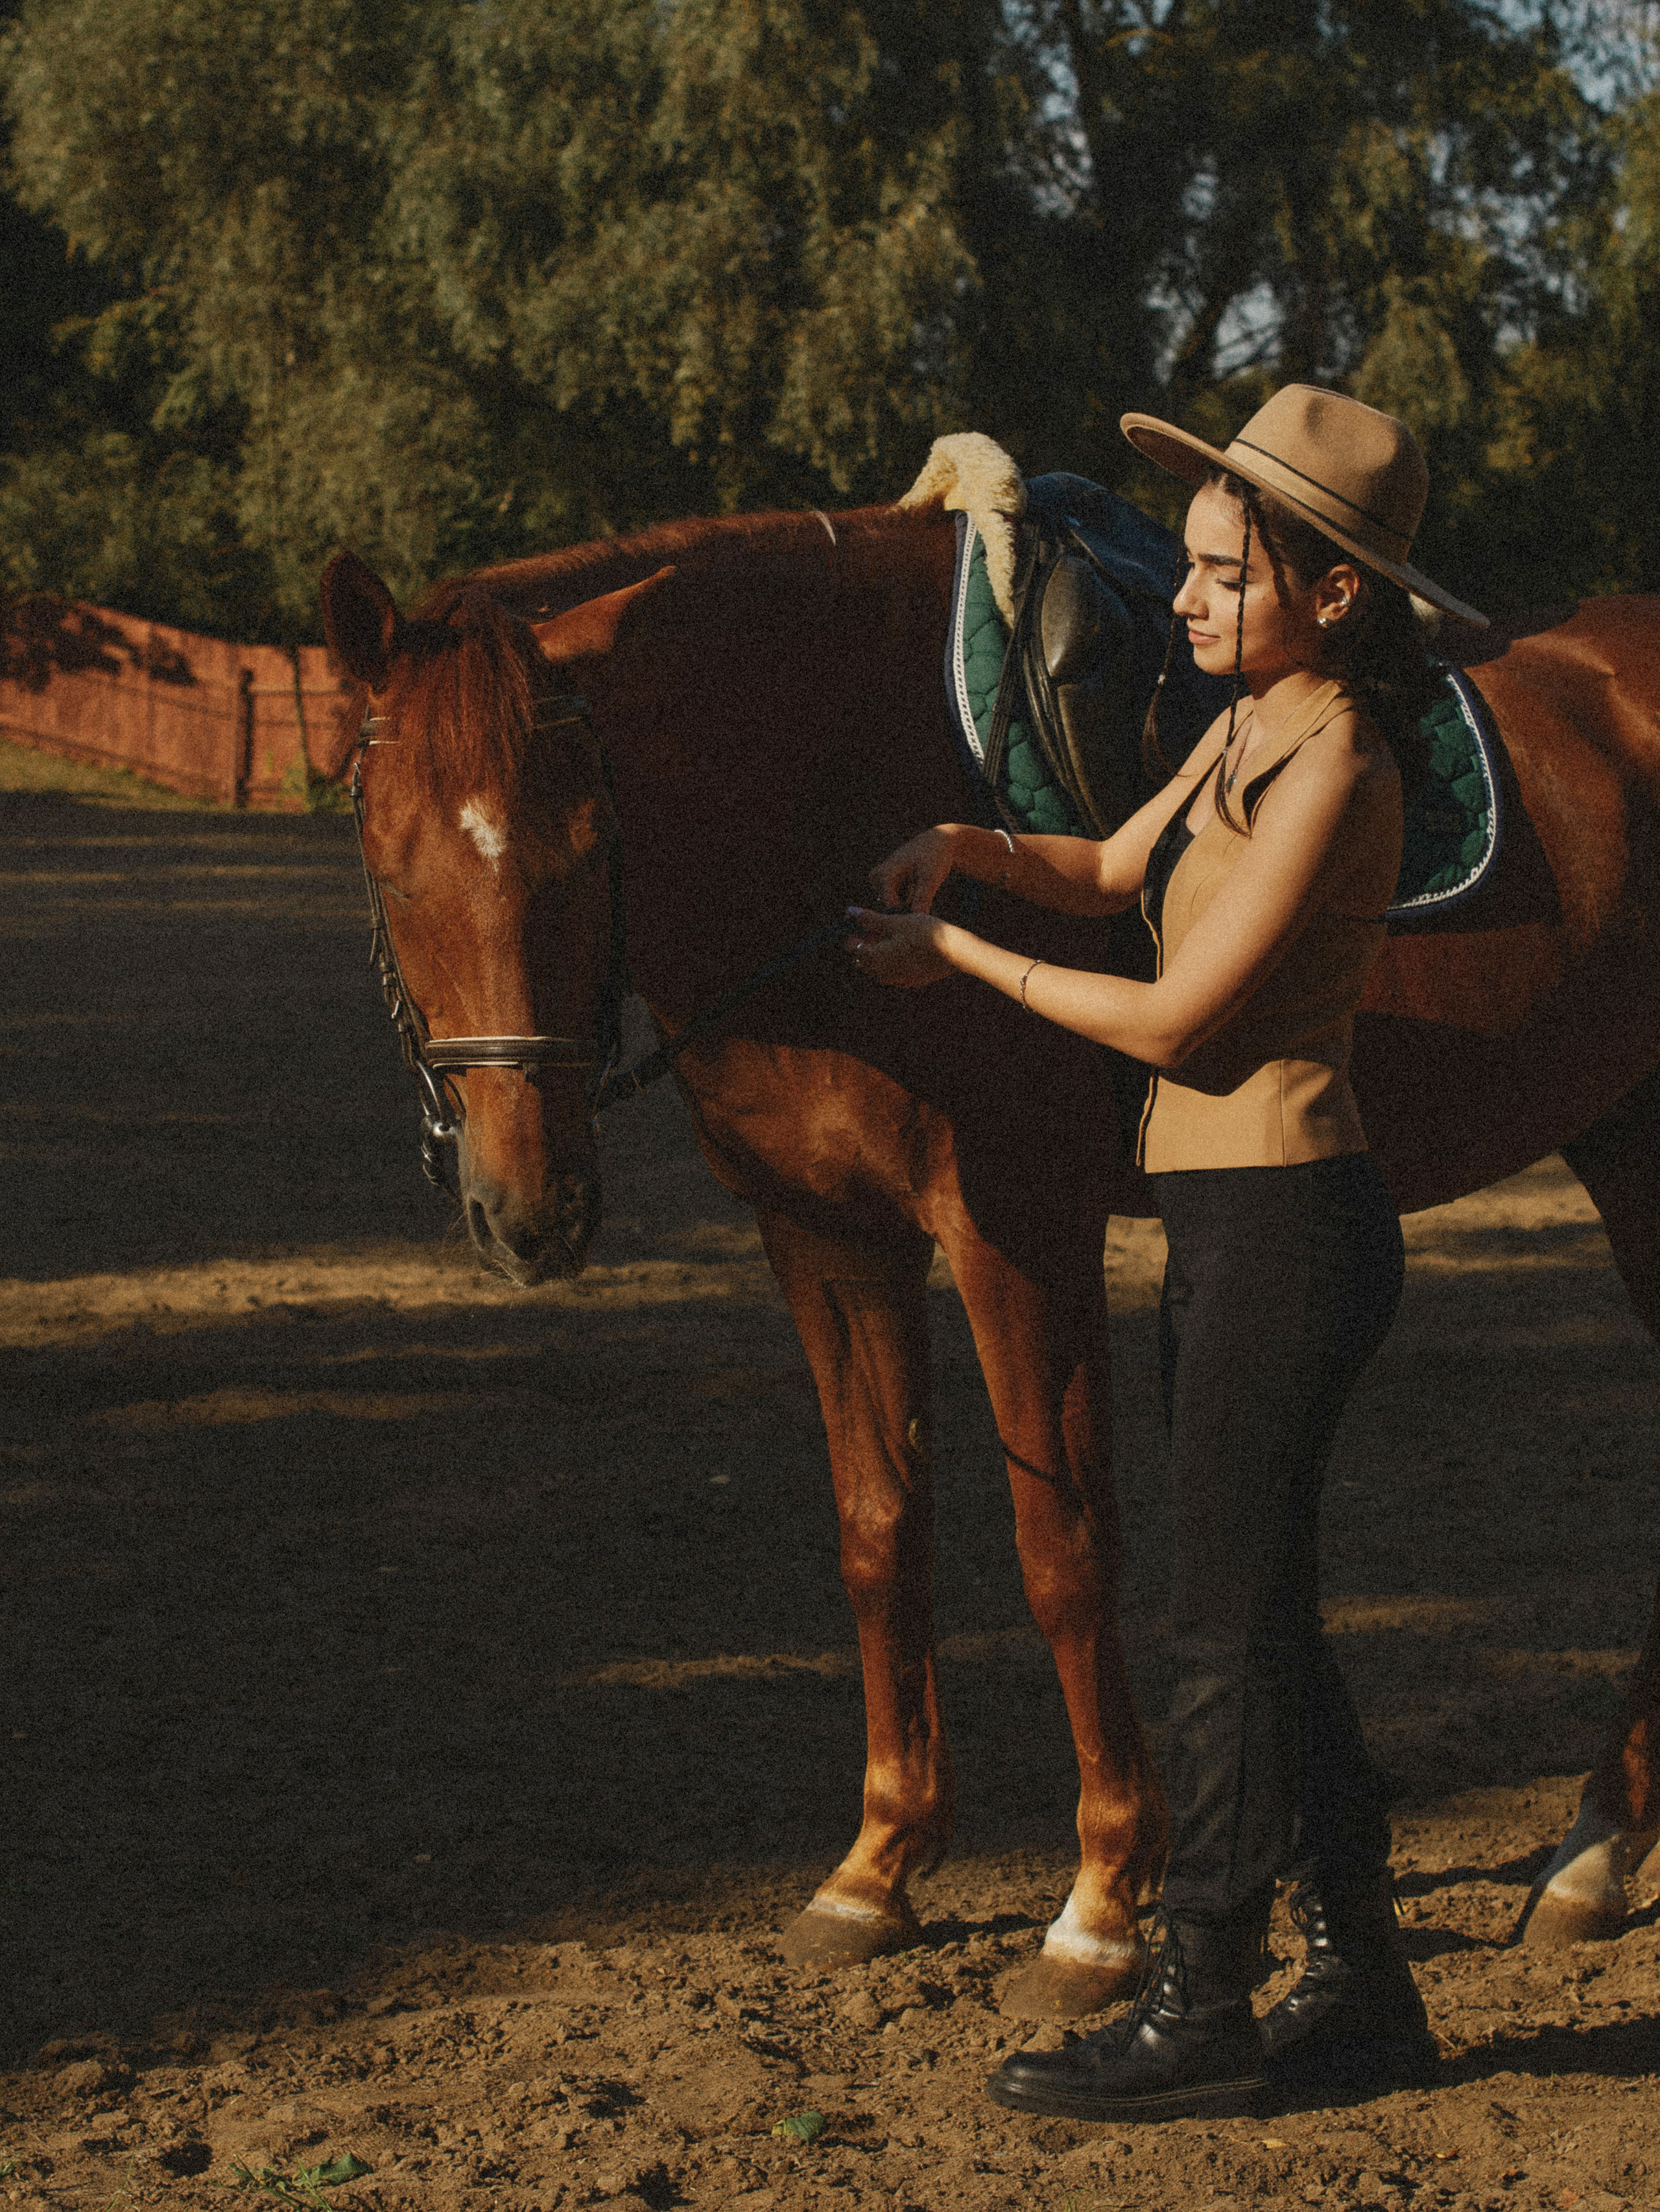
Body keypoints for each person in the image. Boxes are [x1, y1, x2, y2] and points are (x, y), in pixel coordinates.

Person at [847, 384, 1489, 2124]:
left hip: (1291, 1224)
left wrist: (955, 961)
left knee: (1212, 1630)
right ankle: (1361, 1976)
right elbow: (1109, 865)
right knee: (1264, 1610)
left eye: (1221, 574)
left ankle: (1204, 1995)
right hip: (1226, 1228)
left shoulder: (1342, 763)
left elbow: (1184, 1025)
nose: (1185, 597)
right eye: (1192, 568)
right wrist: (976, 851)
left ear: (1332, 594)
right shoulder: (1238, 728)